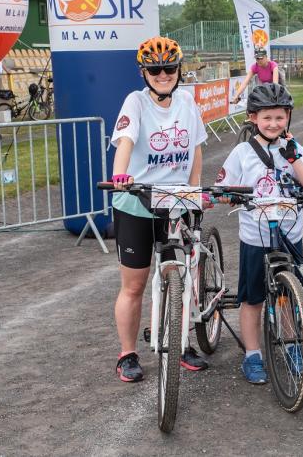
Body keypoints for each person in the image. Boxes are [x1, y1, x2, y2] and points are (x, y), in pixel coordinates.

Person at [110, 36, 210, 382]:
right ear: (144, 73)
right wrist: (119, 175)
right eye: (155, 69)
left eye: (169, 68)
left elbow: (196, 148)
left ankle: (177, 341)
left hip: (176, 203)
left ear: (179, 70)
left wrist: (195, 188)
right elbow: (125, 141)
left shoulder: (187, 102)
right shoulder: (135, 103)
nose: (163, 74)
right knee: (134, 285)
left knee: (179, 276)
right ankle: (127, 354)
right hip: (136, 201)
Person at [216, 83, 303, 384]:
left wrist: (294, 158)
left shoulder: (295, 147)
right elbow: (223, 188)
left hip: (290, 233)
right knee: (253, 299)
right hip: (256, 237)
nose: (274, 124)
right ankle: (252, 355)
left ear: (288, 117)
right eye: (267, 118)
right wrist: (229, 195)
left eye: (280, 117)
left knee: (288, 296)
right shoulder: (242, 152)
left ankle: (290, 345)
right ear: (253, 118)